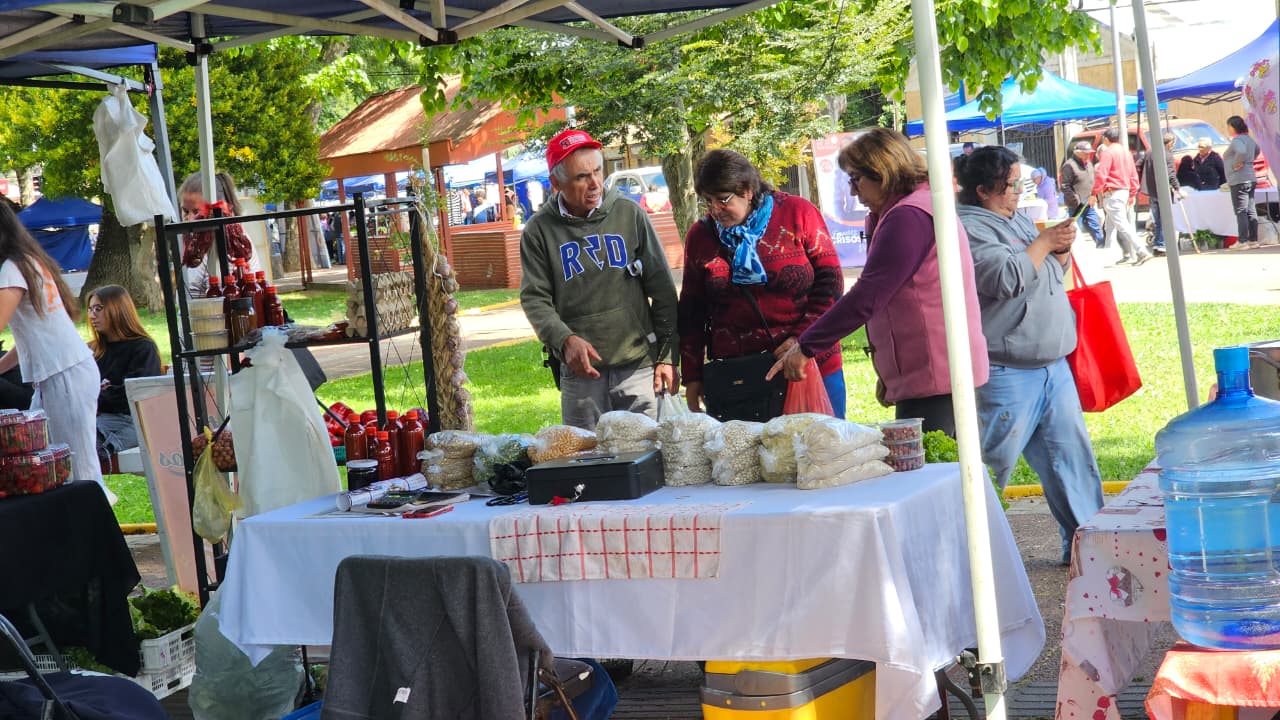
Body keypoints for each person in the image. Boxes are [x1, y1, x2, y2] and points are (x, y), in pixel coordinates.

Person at [768, 129, 987, 435]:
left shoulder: (908, 215)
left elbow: (868, 296)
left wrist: (806, 346)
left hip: (937, 377)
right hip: (932, 373)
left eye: (856, 178)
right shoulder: (903, 209)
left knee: (936, 472)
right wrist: (890, 372)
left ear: (882, 172)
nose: (853, 191)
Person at [955, 145, 1104, 565]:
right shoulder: (966, 228)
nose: (1018, 192)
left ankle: (1087, 550)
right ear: (983, 190)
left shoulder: (1014, 217)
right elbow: (1005, 279)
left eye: (1019, 183)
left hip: (1051, 366)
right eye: (1009, 186)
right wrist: (1043, 241)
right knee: (991, 466)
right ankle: (970, 556)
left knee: (1072, 462)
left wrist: (1058, 250)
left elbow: (1048, 272)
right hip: (1007, 372)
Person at [519, 128, 678, 430]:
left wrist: (668, 356)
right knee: (588, 465)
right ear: (556, 184)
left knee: (647, 461)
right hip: (581, 376)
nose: (594, 184)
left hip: (639, 368)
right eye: (581, 177)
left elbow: (663, 290)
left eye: (597, 171)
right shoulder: (538, 231)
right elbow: (534, 298)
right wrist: (564, 340)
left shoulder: (629, 214)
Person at [679, 148, 846, 419]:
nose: (714, 210)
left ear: (747, 190)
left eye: (722, 199)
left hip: (809, 366)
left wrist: (802, 340)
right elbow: (691, 312)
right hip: (740, 380)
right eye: (707, 201)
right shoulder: (701, 236)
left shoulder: (797, 213)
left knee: (822, 454)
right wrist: (693, 375)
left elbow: (831, 284)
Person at [0, 203, 109, 502]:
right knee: (57, 465)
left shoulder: (13, 269)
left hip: (65, 373)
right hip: (60, 373)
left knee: (80, 466)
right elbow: (30, 337)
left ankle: (98, 536)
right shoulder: (27, 262)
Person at [87, 285, 162, 463]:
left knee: (88, 436)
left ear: (118, 310)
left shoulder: (143, 348)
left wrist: (94, 397)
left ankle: (105, 450)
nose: (91, 316)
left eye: (98, 309)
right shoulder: (91, 350)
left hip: (131, 419)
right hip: (94, 417)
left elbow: (133, 394)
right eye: (90, 309)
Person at [178, 171, 260, 297]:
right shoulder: (194, 245)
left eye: (196, 211)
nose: (189, 218)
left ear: (217, 210)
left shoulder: (233, 241)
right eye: (185, 211)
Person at [1091, 128, 1151, 266]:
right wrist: (1133, 192)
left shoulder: (1108, 152)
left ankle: (1142, 251)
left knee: (1122, 224)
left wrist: (1094, 193)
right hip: (1123, 191)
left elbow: (1102, 174)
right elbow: (1133, 173)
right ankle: (1108, 255)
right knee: (1110, 226)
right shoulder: (1126, 152)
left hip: (1112, 192)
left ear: (1106, 139)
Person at [1140, 132, 1185, 255]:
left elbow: (1138, 165)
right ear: (1170, 143)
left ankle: (1158, 244)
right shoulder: (1167, 155)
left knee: (1157, 219)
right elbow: (1171, 174)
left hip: (1151, 190)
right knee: (1165, 219)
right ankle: (1161, 245)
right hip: (1163, 191)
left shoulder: (1149, 152)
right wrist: (1178, 188)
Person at [1059, 142, 1105, 248]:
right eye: (1085, 153)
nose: (1088, 155)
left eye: (1089, 153)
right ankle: (1074, 249)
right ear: (1078, 153)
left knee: (1095, 225)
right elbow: (1065, 186)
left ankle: (1100, 244)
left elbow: (1092, 180)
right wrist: (1076, 199)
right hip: (1076, 205)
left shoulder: (1088, 163)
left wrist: (1095, 196)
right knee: (1076, 228)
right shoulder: (1069, 165)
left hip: (1089, 202)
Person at [1224, 115, 1261, 246]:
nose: (1228, 129)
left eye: (1228, 126)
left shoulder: (1237, 140)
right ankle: (1253, 240)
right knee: (1251, 209)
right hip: (1250, 177)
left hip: (1239, 179)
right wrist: (1248, 162)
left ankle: (1242, 240)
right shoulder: (1249, 139)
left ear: (1233, 127)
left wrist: (1237, 163)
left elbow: (1241, 151)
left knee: (1241, 210)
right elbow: (1257, 150)